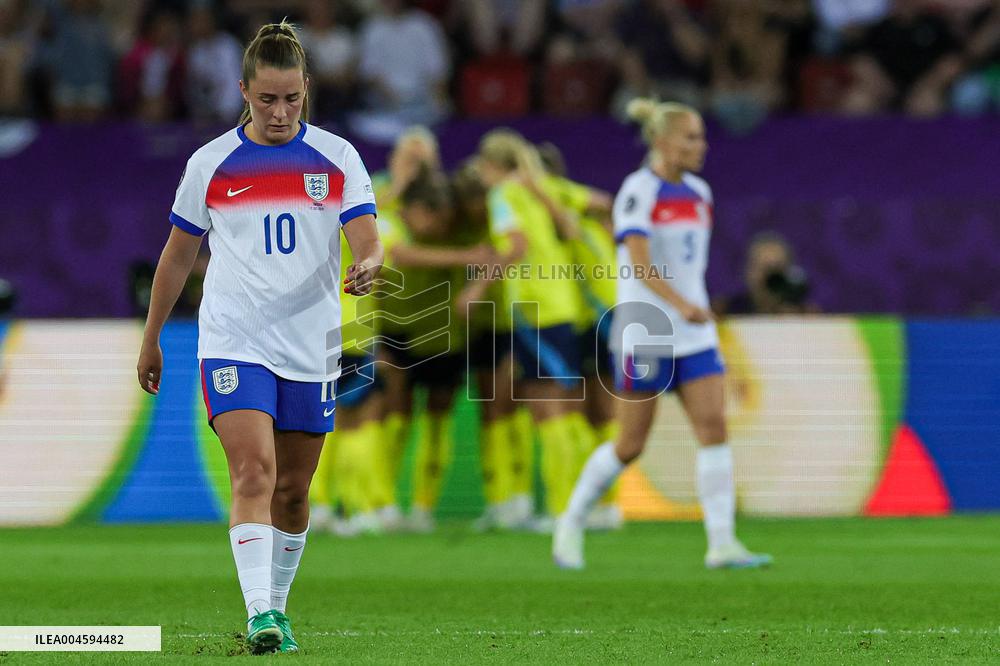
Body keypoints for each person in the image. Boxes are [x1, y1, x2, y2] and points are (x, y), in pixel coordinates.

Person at [135, 21, 382, 653]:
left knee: (294, 494)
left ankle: (276, 607)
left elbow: (366, 236)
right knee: (254, 472)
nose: (279, 112)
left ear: (307, 91)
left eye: (291, 98)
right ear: (244, 91)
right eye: (266, 98)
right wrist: (153, 334)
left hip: (310, 343)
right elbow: (176, 257)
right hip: (234, 338)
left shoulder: (338, 158)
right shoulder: (210, 163)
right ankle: (260, 617)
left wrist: (370, 263)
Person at [552, 98, 771, 571]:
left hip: (693, 334)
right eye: (691, 137)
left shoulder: (699, 193)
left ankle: (722, 544)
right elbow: (639, 263)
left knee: (714, 429)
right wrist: (685, 305)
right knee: (630, 444)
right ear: (662, 141)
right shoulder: (639, 190)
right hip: (646, 329)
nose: (701, 145)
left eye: (701, 136)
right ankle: (570, 522)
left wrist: (694, 307)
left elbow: (691, 266)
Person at [463, 129, 591, 527]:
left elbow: (514, 245)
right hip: (561, 304)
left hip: (537, 310)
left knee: (546, 409)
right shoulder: (535, 190)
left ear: (491, 165)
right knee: (564, 409)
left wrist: (477, 287)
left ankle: (562, 509)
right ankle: (576, 505)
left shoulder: (504, 194)